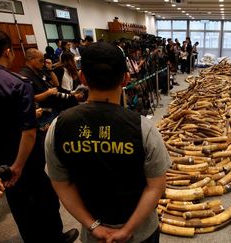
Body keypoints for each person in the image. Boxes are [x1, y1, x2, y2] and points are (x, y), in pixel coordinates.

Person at [45, 42, 170, 243]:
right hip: (141, 233)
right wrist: (127, 230)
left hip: (93, 235)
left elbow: (61, 184)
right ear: (126, 78)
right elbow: (156, 186)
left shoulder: (58, 126)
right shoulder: (144, 128)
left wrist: (93, 226)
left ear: (83, 77)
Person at [0, 25, 79, 243]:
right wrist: (18, 166)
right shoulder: (16, 83)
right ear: (8, 51)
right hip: (27, 156)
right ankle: (55, 238)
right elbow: (29, 132)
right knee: (46, 198)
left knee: (19, 204)